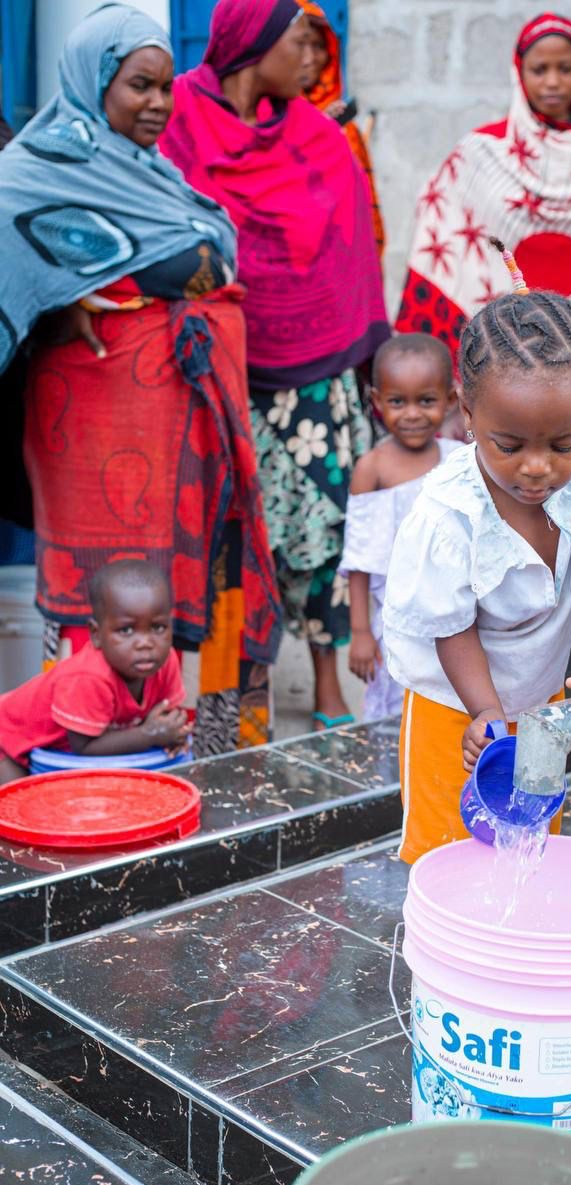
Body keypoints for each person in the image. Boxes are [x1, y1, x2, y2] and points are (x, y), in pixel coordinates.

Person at [0, 4, 281, 757]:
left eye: (164, 87)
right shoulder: (34, 176)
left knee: (182, 589)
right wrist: (53, 307)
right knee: (103, 594)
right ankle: (81, 756)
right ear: (92, 85)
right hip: (95, 428)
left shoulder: (156, 178)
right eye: (138, 86)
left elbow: (202, 264)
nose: (158, 103)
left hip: (186, 426)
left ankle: (195, 753)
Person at [160, 0, 390, 732]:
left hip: (313, 378)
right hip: (213, 369)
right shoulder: (177, 121)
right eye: (299, 43)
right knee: (230, 534)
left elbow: (352, 249)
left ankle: (326, 684)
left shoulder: (319, 137)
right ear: (254, 43)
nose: (312, 59)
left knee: (323, 528)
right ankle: (233, 692)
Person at [384, 252, 571, 864]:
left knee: (529, 839)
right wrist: (486, 713)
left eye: (564, 443)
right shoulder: (449, 517)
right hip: (456, 704)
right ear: (468, 414)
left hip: (540, 697)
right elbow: (453, 629)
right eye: (510, 445)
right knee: (448, 851)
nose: (537, 467)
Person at [396, 11, 571, 449]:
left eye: (565, 69)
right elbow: (443, 215)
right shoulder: (483, 151)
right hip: (501, 325)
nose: (553, 82)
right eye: (539, 69)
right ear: (518, 73)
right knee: (506, 443)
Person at [340, 334, 461, 721]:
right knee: (394, 710)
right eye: (397, 402)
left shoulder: (459, 461)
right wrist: (360, 632)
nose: (412, 414)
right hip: (393, 621)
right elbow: (359, 559)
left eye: (426, 401)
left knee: (447, 705)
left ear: (450, 400)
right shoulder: (372, 469)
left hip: (451, 612)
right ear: (377, 401)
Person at [0, 560, 187, 785]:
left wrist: (172, 733)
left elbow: (165, 718)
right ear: (96, 634)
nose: (145, 643)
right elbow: (85, 747)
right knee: (18, 798)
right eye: (126, 630)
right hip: (7, 740)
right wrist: (149, 735)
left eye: (158, 627)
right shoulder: (88, 678)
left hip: (54, 750)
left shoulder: (166, 661)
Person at [301, 0, 385, 260]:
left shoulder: (343, 128)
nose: (309, 58)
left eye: (318, 46)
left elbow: (360, 218)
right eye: (299, 45)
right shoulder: (260, 118)